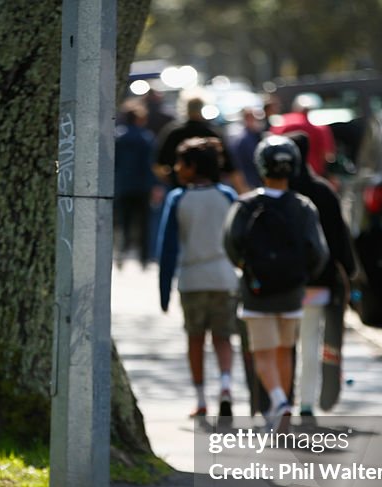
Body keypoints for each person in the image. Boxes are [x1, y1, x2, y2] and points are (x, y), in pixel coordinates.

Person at [224, 135, 329, 425]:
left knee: (263, 353)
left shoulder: (245, 206)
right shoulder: (303, 207)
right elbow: (318, 251)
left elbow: (231, 244)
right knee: (285, 350)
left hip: (257, 292)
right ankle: (283, 408)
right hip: (293, 292)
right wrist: (302, 276)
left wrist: (247, 269)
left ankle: (279, 402)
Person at [157, 137, 240, 418]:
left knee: (195, 339)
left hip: (192, 279)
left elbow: (167, 248)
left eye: (181, 162)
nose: (177, 168)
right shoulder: (227, 196)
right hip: (224, 277)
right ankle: (226, 386)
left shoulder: (178, 198)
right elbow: (237, 239)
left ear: (192, 166)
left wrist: (164, 291)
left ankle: (201, 399)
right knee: (224, 338)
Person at [286, 132, 357, 416]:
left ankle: (283, 401)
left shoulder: (282, 192)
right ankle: (306, 403)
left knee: (285, 344)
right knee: (312, 342)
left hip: (286, 284)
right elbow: (341, 238)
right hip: (320, 283)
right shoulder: (324, 191)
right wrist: (349, 271)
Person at [155, 94, 247, 193]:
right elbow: (231, 168)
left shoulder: (173, 132)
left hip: (181, 189)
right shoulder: (212, 132)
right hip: (212, 191)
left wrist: (172, 181)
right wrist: (242, 191)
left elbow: (159, 166)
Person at [114, 101, 157, 267]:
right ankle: (145, 257)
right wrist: (154, 185)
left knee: (122, 221)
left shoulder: (119, 137)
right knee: (144, 222)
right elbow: (149, 164)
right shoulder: (146, 137)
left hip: (123, 185)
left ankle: (120, 253)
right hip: (142, 186)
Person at [270, 93, 336, 178]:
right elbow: (327, 155)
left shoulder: (282, 122)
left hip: (285, 175)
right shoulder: (319, 127)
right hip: (313, 174)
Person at [230, 106, 267, 190]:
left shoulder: (257, 134)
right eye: (251, 117)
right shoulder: (244, 139)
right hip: (250, 180)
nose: (255, 120)